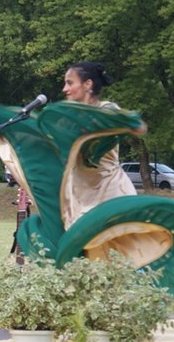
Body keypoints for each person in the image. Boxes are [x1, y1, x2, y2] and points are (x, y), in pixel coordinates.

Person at [60, 61, 146, 229]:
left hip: (110, 194)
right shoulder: (66, 119)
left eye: (70, 83)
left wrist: (126, 122)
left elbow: (139, 127)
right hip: (79, 198)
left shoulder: (107, 109)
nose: (65, 89)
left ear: (87, 84)